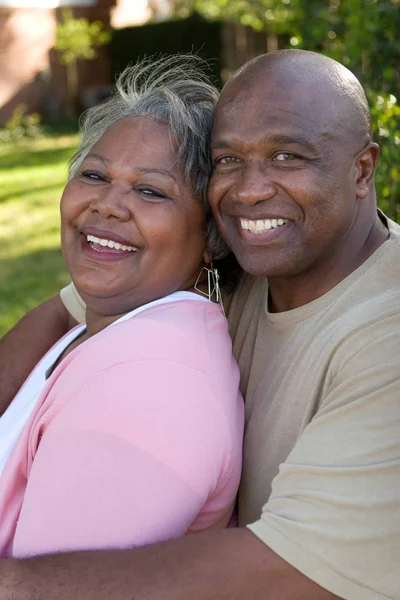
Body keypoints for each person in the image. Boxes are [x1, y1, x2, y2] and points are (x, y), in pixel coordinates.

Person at [0, 49, 399, 600]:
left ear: (362, 169)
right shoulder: (243, 259)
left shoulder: (386, 335)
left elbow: (292, 571)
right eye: (228, 159)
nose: (249, 190)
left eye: (287, 156)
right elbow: (63, 310)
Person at [0, 56, 244, 558]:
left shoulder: (151, 385)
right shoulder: (119, 320)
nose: (107, 204)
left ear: (209, 237)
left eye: (150, 190)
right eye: (93, 175)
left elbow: (53, 586)